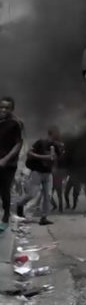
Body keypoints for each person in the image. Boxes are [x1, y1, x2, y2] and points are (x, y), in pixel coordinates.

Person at [17, 126, 61, 226]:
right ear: (51, 134)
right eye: (56, 133)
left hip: (48, 173)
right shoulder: (40, 142)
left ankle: (44, 217)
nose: (58, 135)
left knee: (48, 196)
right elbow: (29, 153)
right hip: (37, 172)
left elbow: (56, 158)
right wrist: (42, 157)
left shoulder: (56, 146)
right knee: (32, 194)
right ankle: (20, 205)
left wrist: (53, 162)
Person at [0, 97, 23, 228]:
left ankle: (6, 214)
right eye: (1, 107)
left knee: (5, 190)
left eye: (7, 108)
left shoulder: (14, 124)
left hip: (8, 164)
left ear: (12, 109)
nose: (3, 110)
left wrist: (6, 159)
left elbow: (18, 144)